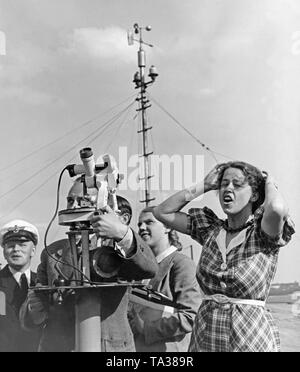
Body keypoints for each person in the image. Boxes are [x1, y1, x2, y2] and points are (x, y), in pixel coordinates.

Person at [153, 161, 295, 352]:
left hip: (248, 338)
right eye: (223, 184)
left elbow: (277, 208)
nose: (228, 188)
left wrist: (270, 184)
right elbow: (161, 212)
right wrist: (204, 185)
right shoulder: (210, 230)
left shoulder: (262, 234)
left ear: (254, 194)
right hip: (206, 335)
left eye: (237, 184)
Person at [21, 188, 158, 352]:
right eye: (70, 200)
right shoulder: (51, 253)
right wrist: (33, 310)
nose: (75, 205)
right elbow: (32, 313)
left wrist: (122, 233)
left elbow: (149, 268)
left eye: (84, 201)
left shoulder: (116, 249)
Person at [129, 206, 202, 352]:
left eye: (149, 222)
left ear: (167, 227)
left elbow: (191, 316)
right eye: (139, 224)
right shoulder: (137, 267)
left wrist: (146, 328)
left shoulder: (181, 264)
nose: (142, 228)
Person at [0, 220, 41, 352]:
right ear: (4, 252)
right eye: (11, 245)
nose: (16, 249)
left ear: (33, 250)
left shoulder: (43, 284)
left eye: (22, 245)